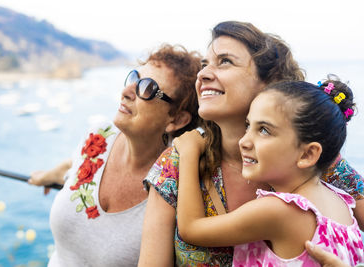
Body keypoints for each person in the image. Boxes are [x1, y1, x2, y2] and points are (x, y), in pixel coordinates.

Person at [139, 21, 364, 267]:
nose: (202, 74)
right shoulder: (176, 162)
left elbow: (192, 229)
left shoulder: (319, 160)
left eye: (225, 61)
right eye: (204, 65)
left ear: (270, 82)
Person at [28, 44, 202, 266]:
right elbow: (78, 165)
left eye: (147, 88)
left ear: (176, 119)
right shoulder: (100, 136)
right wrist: (49, 175)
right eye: (133, 78)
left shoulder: (175, 185)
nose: (127, 91)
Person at [175, 79, 364, 266]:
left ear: (307, 154)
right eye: (248, 126)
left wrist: (188, 154)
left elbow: (191, 229)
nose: (244, 141)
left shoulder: (278, 210)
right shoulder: (342, 202)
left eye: (264, 130)